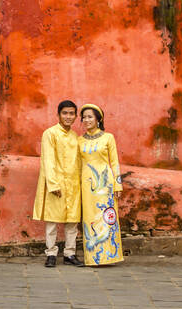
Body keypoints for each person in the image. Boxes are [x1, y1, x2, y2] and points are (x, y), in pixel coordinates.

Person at [32, 100, 83, 268]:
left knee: (72, 222)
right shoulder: (50, 134)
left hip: (73, 184)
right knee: (52, 222)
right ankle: (51, 253)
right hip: (57, 183)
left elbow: (79, 163)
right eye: (65, 113)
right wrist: (53, 184)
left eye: (71, 113)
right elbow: (48, 160)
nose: (68, 117)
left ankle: (70, 253)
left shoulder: (76, 137)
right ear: (58, 114)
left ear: (76, 116)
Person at [78, 103, 123, 266]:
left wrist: (118, 185)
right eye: (84, 117)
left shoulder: (108, 137)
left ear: (98, 119)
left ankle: (110, 255)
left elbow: (115, 162)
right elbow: (77, 165)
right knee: (90, 218)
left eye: (90, 116)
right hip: (86, 185)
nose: (86, 120)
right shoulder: (79, 140)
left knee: (107, 217)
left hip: (106, 185)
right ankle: (93, 257)